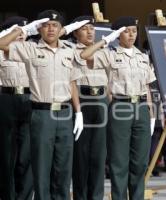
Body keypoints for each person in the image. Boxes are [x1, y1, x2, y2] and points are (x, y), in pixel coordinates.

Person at [0, 10, 84, 199]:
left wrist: (78, 112)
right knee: (41, 168)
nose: (51, 29)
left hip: (64, 113)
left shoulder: (69, 50)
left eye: (55, 25)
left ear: (61, 29)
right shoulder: (30, 49)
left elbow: (72, 82)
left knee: (63, 167)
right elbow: (1, 44)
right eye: (46, 25)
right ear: (39, 29)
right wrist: (22, 30)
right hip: (42, 113)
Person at [80, 16, 156, 200]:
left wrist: (152, 114)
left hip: (141, 108)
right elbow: (85, 56)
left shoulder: (142, 56)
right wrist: (106, 39)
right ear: (118, 33)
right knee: (119, 162)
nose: (131, 34)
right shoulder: (110, 53)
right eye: (126, 31)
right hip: (120, 107)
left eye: (134, 31)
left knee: (140, 163)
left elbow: (147, 87)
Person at [61, 15, 109, 200]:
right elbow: (58, 36)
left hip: (101, 100)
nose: (89, 32)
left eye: (92, 28)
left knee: (99, 155)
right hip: (80, 100)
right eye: (84, 28)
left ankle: (96, 196)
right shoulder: (68, 49)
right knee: (80, 155)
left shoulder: (104, 51)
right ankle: (80, 196)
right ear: (75, 32)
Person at [0, 16, 33, 200]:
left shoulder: (35, 50)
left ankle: (25, 196)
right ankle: (8, 195)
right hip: (6, 99)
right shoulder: (1, 50)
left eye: (24, 30)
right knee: (7, 154)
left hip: (30, 99)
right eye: (17, 30)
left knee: (27, 155)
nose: (22, 34)